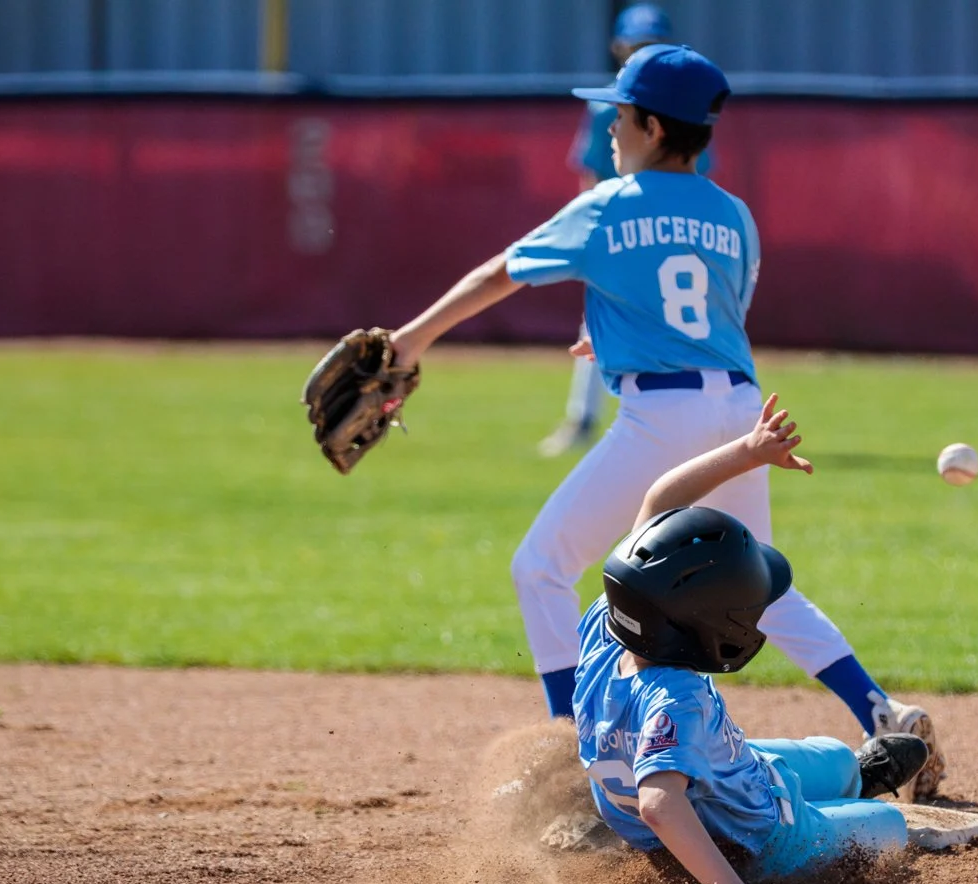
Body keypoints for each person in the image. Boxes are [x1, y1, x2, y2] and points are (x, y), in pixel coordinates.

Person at [380, 43, 945, 798]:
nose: (609, 129)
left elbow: (498, 275)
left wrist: (408, 341)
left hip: (661, 416)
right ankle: (882, 711)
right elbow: (714, 313)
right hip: (741, 410)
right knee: (758, 584)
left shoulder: (608, 204)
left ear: (651, 126)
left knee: (540, 568)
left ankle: (576, 759)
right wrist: (620, 333)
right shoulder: (735, 215)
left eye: (619, 115)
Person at [573, 393, 930, 884]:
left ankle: (854, 774)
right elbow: (660, 804)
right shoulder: (676, 696)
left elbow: (659, 503)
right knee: (888, 827)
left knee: (835, 757)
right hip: (768, 835)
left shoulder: (608, 628)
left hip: (737, 773)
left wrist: (748, 451)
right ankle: (846, 799)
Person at [539, 3, 711, 458]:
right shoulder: (604, 105)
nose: (643, 53)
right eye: (637, 45)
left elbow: (697, 176)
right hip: (622, 229)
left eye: (653, 45)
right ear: (618, 47)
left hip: (668, 230)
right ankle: (585, 419)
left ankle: (679, 421)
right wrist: (594, 232)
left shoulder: (682, 110)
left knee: (672, 326)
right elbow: (591, 173)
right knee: (599, 323)